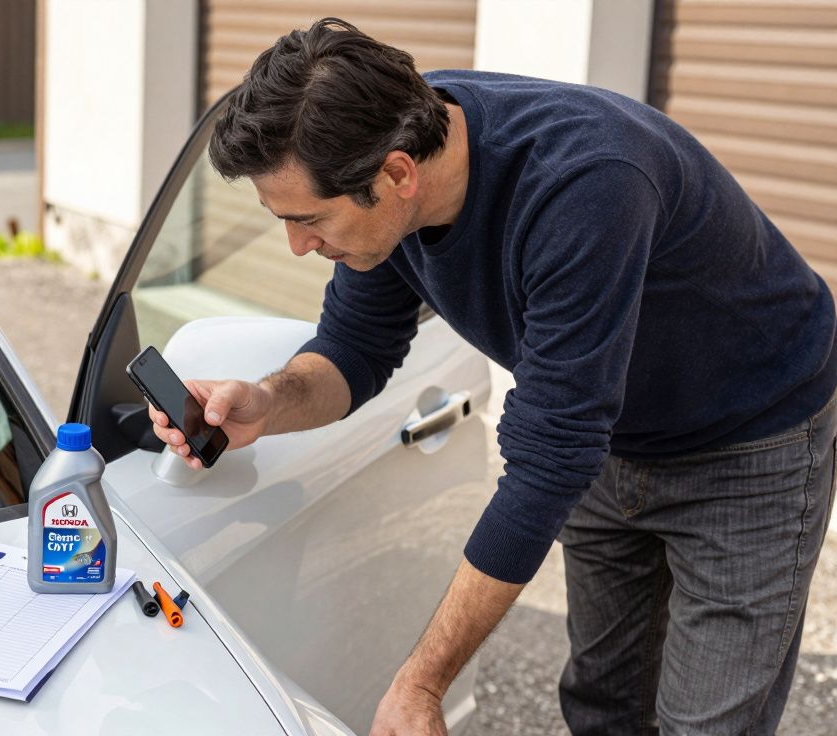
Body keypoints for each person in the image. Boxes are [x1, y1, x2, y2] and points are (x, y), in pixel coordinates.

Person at [149, 18, 837, 736]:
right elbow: (355, 347)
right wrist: (266, 402)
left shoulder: (585, 185)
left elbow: (549, 459)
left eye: (308, 219)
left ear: (396, 175)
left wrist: (420, 683)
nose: (296, 247)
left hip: (750, 441)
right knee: (605, 705)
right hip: (610, 439)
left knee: (708, 726)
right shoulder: (387, 163)